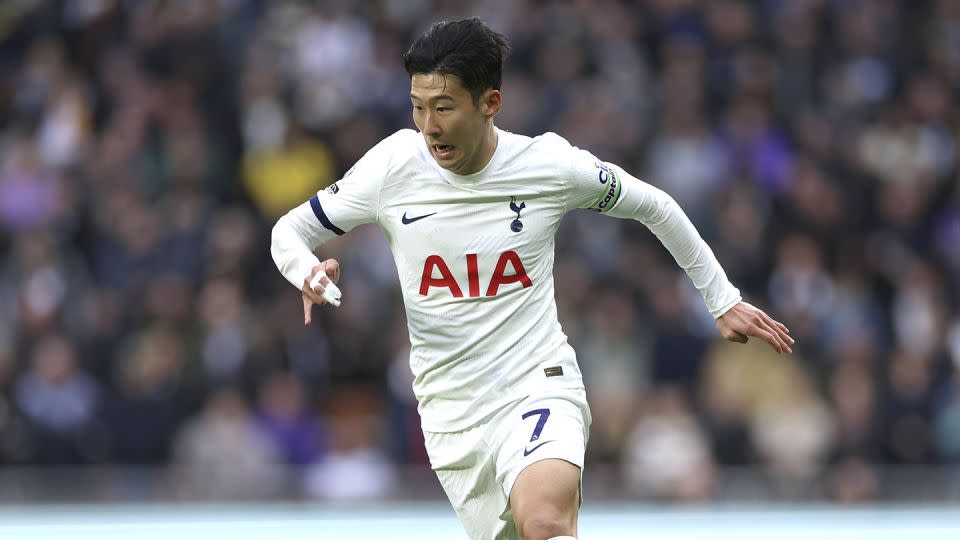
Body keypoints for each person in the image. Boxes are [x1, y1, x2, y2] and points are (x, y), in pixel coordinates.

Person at [271, 17, 793, 540]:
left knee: (544, 523)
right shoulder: (392, 167)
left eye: (444, 107)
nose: (428, 125)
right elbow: (288, 231)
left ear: (490, 103)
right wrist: (306, 269)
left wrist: (721, 299)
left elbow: (653, 205)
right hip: (451, 413)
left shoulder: (548, 165)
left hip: (537, 383)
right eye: (418, 106)